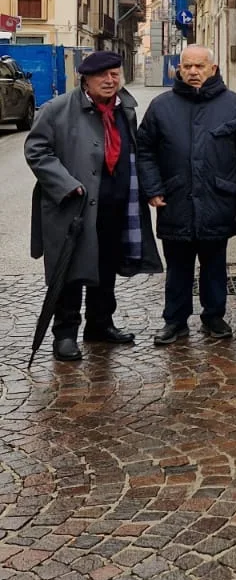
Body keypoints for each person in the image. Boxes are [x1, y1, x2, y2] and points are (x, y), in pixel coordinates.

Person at [25, 50, 161, 361]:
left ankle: (100, 324)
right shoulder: (57, 109)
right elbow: (37, 151)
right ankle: (65, 335)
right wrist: (66, 184)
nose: (110, 80)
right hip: (72, 206)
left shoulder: (125, 108)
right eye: (103, 75)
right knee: (70, 269)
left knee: (107, 267)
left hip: (115, 204)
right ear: (86, 78)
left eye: (115, 74)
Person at [137, 46, 236, 347]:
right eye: (187, 67)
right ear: (178, 70)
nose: (193, 72)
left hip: (218, 199)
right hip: (175, 198)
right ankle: (175, 320)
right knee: (178, 265)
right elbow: (145, 150)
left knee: (215, 262)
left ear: (213, 68)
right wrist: (153, 188)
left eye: (200, 66)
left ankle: (214, 315)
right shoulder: (161, 106)